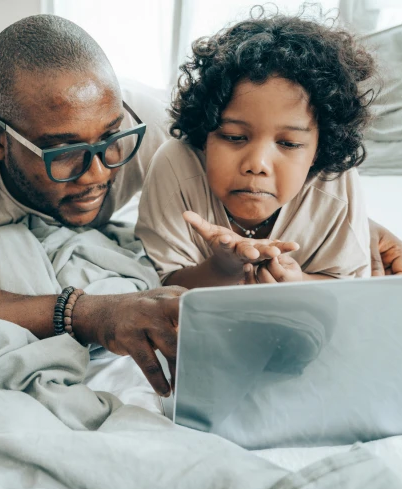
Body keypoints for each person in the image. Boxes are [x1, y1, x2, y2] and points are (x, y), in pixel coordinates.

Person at [0, 15, 402, 397]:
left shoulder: (148, 124)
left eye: (110, 141)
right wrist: (85, 311)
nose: (99, 171)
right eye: (64, 153)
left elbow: (251, 153)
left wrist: (353, 221)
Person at [137, 12, 382, 288]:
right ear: (204, 135)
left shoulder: (336, 181)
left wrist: (297, 282)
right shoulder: (174, 165)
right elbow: (165, 284)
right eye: (234, 136)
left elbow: (348, 285)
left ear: (320, 150)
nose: (257, 164)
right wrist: (223, 268)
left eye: (289, 143)